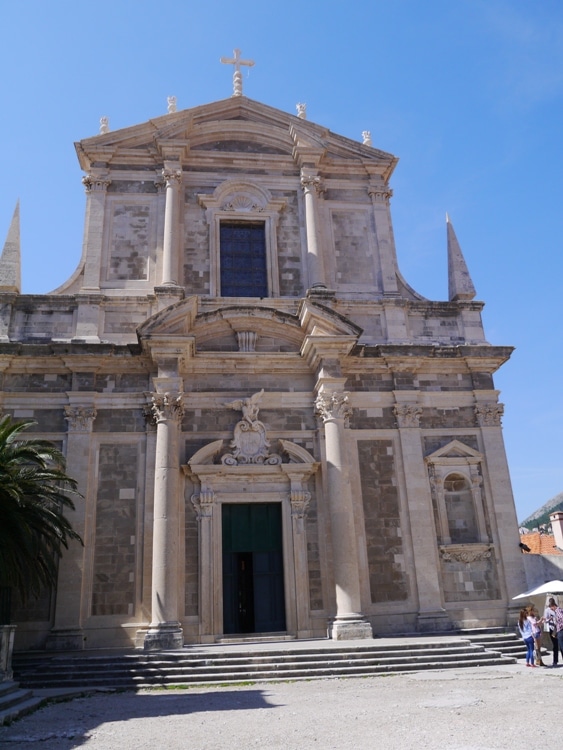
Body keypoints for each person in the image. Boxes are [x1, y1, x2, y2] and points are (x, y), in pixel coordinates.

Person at [544, 597, 563, 667]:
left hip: (559, 628)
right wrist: (550, 619)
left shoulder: (558, 609)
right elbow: (545, 620)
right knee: (555, 645)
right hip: (553, 629)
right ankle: (555, 660)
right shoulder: (547, 610)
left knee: (561, 645)